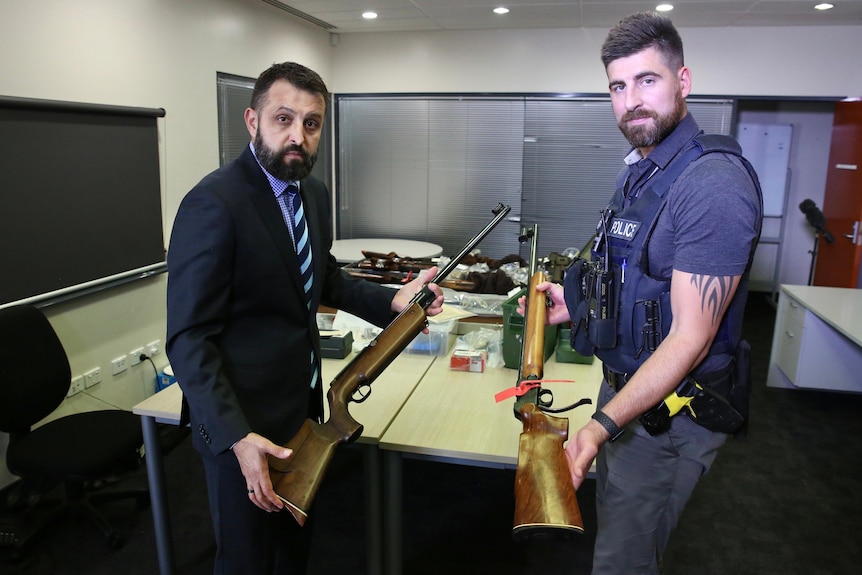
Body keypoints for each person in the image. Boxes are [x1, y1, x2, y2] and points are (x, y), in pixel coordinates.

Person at [165, 61, 443, 575]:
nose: (298, 136)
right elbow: (187, 339)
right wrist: (236, 436)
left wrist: (392, 303)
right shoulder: (213, 204)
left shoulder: (310, 192)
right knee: (247, 560)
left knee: (294, 551)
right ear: (252, 121)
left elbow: (324, 278)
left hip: (301, 412)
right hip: (239, 425)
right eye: (284, 119)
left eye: (311, 123)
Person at [524, 12, 763, 574]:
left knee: (623, 563)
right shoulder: (643, 171)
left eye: (647, 80)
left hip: (669, 419)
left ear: (683, 81)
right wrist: (576, 305)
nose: (631, 100)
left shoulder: (712, 185)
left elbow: (690, 339)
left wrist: (601, 426)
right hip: (629, 399)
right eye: (618, 86)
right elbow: (636, 280)